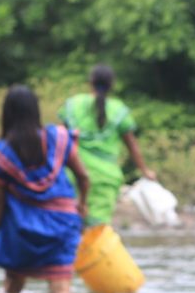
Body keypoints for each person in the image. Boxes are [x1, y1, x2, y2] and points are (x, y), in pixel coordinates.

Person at [0, 85, 90, 293]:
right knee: (62, 291)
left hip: (21, 228)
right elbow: (84, 177)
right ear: (36, 111)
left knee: (12, 289)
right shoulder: (59, 138)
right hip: (62, 223)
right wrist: (82, 204)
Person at [58, 64, 156, 227]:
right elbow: (132, 146)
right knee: (98, 229)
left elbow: (59, 138)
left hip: (73, 173)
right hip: (105, 179)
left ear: (90, 81)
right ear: (112, 84)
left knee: (71, 224)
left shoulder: (74, 104)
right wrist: (145, 171)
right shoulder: (118, 110)